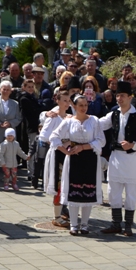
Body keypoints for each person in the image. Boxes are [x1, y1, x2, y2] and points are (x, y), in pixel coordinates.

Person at [98, 81, 136, 236]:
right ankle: (116, 223)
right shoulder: (114, 113)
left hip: (131, 159)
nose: (119, 98)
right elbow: (99, 124)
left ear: (130, 97)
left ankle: (128, 225)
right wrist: (79, 116)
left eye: (122, 96)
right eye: (117, 95)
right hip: (115, 158)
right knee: (112, 192)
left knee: (130, 193)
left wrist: (133, 145)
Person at [49, 94, 105, 235]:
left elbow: (101, 140)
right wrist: (65, 151)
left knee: (88, 193)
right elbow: (54, 136)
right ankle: (74, 225)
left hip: (90, 158)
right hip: (74, 159)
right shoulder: (69, 122)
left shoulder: (94, 120)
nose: (83, 108)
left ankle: (85, 224)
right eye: (80, 105)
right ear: (74, 106)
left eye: (86, 105)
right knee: (73, 193)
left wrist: (84, 147)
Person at [40, 91, 73, 226]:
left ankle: (62, 211)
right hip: (57, 153)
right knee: (58, 184)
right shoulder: (53, 117)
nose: (67, 103)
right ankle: (57, 216)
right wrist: (59, 144)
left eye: (68, 100)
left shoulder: (70, 117)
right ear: (58, 101)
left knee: (66, 184)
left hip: (68, 153)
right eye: (64, 100)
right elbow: (43, 136)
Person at [0, 81, 22, 181]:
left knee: (9, 153)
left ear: (11, 91)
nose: (5, 91)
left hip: (9, 132)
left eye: (8, 89)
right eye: (4, 89)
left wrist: (10, 123)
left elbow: (18, 118)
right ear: (0, 89)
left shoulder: (15, 104)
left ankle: (8, 175)